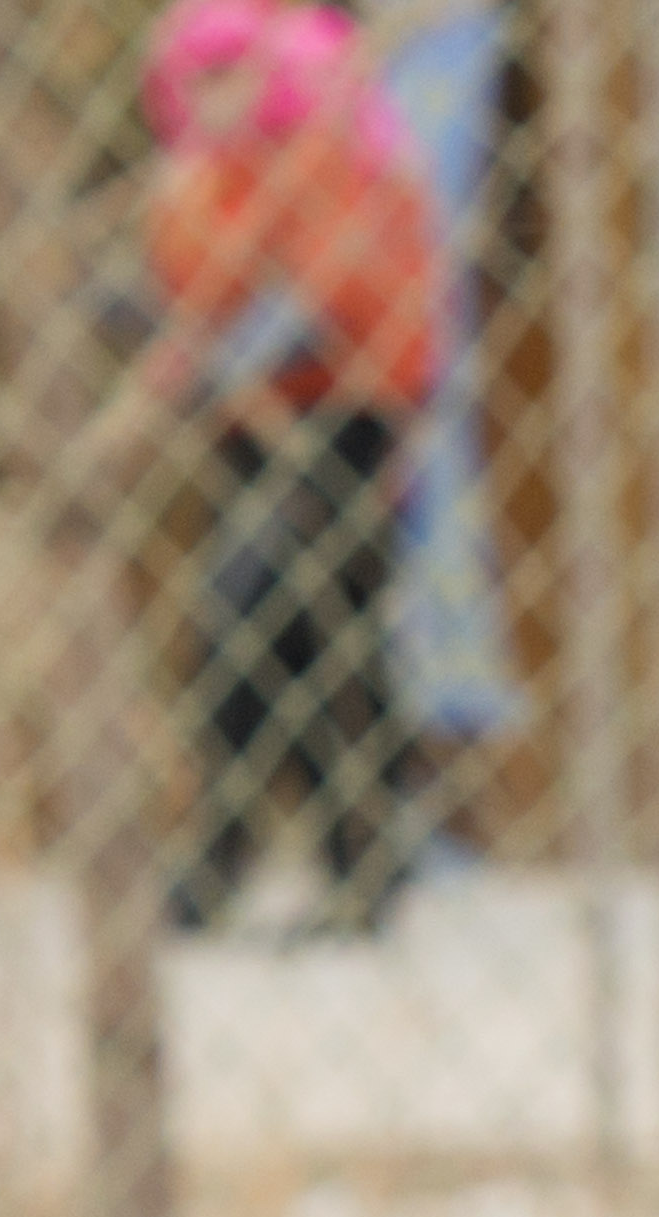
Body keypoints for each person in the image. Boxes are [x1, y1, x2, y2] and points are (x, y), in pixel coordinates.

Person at [139, 0, 447, 935]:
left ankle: (348, 867)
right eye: (199, 79)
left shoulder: (334, 164)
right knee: (259, 643)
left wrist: (229, 320)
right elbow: (191, 298)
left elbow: (343, 295)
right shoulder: (201, 179)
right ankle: (248, 864)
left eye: (230, 75)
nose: (214, 97)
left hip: (344, 427)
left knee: (315, 634)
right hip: (251, 432)